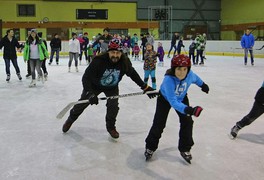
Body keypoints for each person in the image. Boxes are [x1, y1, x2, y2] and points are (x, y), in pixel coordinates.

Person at [62, 38, 157, 139]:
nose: (115, 55)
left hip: (112, 87)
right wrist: (90, 93)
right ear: (108, 52)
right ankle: (71, 119)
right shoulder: (99, 60)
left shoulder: (124, 61)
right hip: (94, 86)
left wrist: (145, 87)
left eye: (117, 53)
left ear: (121, 53)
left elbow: (132, 74)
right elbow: (86, 78)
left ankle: (111, 127)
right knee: (82, 103)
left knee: (113, 106)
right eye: (113, 52)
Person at [144, 54, 209, 163]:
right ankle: (150, 146)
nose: (182, 72)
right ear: (174, 68)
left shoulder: (190, 75)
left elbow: (196, 79)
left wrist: (203, 85)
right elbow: (173, 102)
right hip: (165, 99)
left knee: (187, 122)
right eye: (179, 69)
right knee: (159, 123)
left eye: (185, 69)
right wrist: (188, 110)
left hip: (182, 98)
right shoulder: (168, 80)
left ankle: (185, 148)